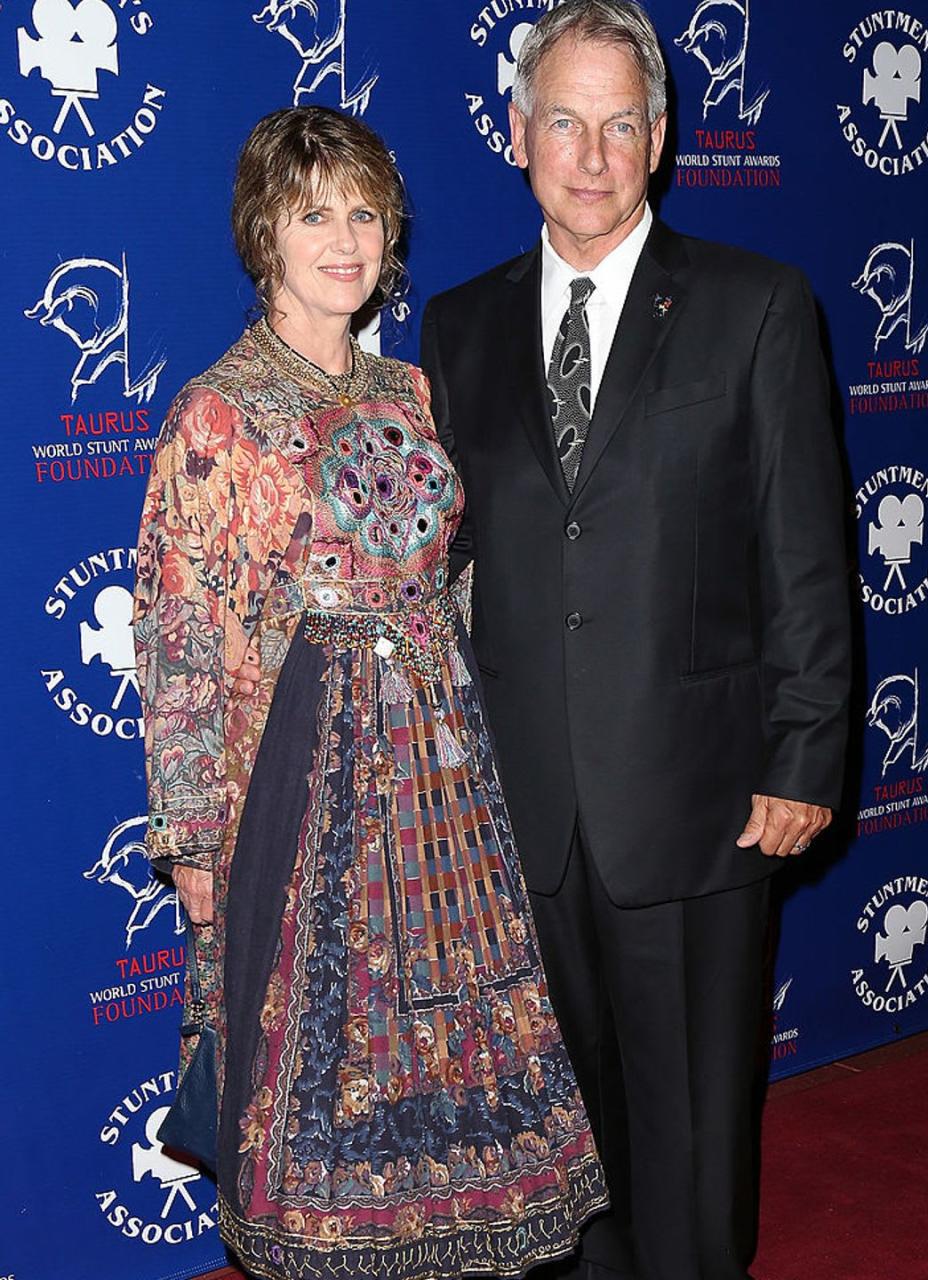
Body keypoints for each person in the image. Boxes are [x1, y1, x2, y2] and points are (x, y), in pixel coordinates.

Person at [133, 105, 606, 1280]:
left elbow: (471, 574)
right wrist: (195, 837)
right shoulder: (217, 412)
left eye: (363, 211)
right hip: (300, 788)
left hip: (447, 783)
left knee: (459, 1057)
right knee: (318, 1080)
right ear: (264, 234)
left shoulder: (416, 389)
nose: (344, 239)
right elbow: (178, 636)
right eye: (313, 214)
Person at [419, 4, 852, 1279]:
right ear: (517, 134)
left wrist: (806, 752)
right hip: (524, 815)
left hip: (702, 802)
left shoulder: (755, 306)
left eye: (621, 124)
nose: (592, 153)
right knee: (566, 1164)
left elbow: (808, 556)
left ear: (661, 139)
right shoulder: (459, 326)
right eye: (565, 120)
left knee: (693, 1152)